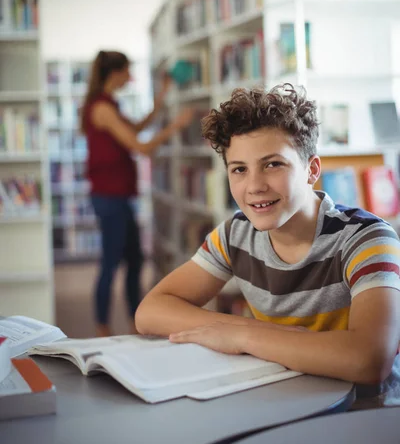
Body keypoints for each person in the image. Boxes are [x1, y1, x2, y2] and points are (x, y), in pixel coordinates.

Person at [135, 83, 400, 408]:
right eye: (239, 170)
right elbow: (150, 311)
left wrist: (243, 338)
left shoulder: (366, 238)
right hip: (282, 406)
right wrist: (247, 329)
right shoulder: (236, 234)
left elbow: (369, 360)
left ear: (311, 170)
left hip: (364, 415)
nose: (255, 186)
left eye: (273, 164)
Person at [81, 50, 193, 337]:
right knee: (111, 262)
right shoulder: (102, 108)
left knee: (134, 259)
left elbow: (138, 127)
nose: (130, 77)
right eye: (127, 71)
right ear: (114, 73)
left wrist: (163, 95)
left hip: (118, 196)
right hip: (109, 198)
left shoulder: (110, 105)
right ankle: (102, 328)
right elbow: (140, 147)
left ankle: (136, 321)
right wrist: (174, 127)